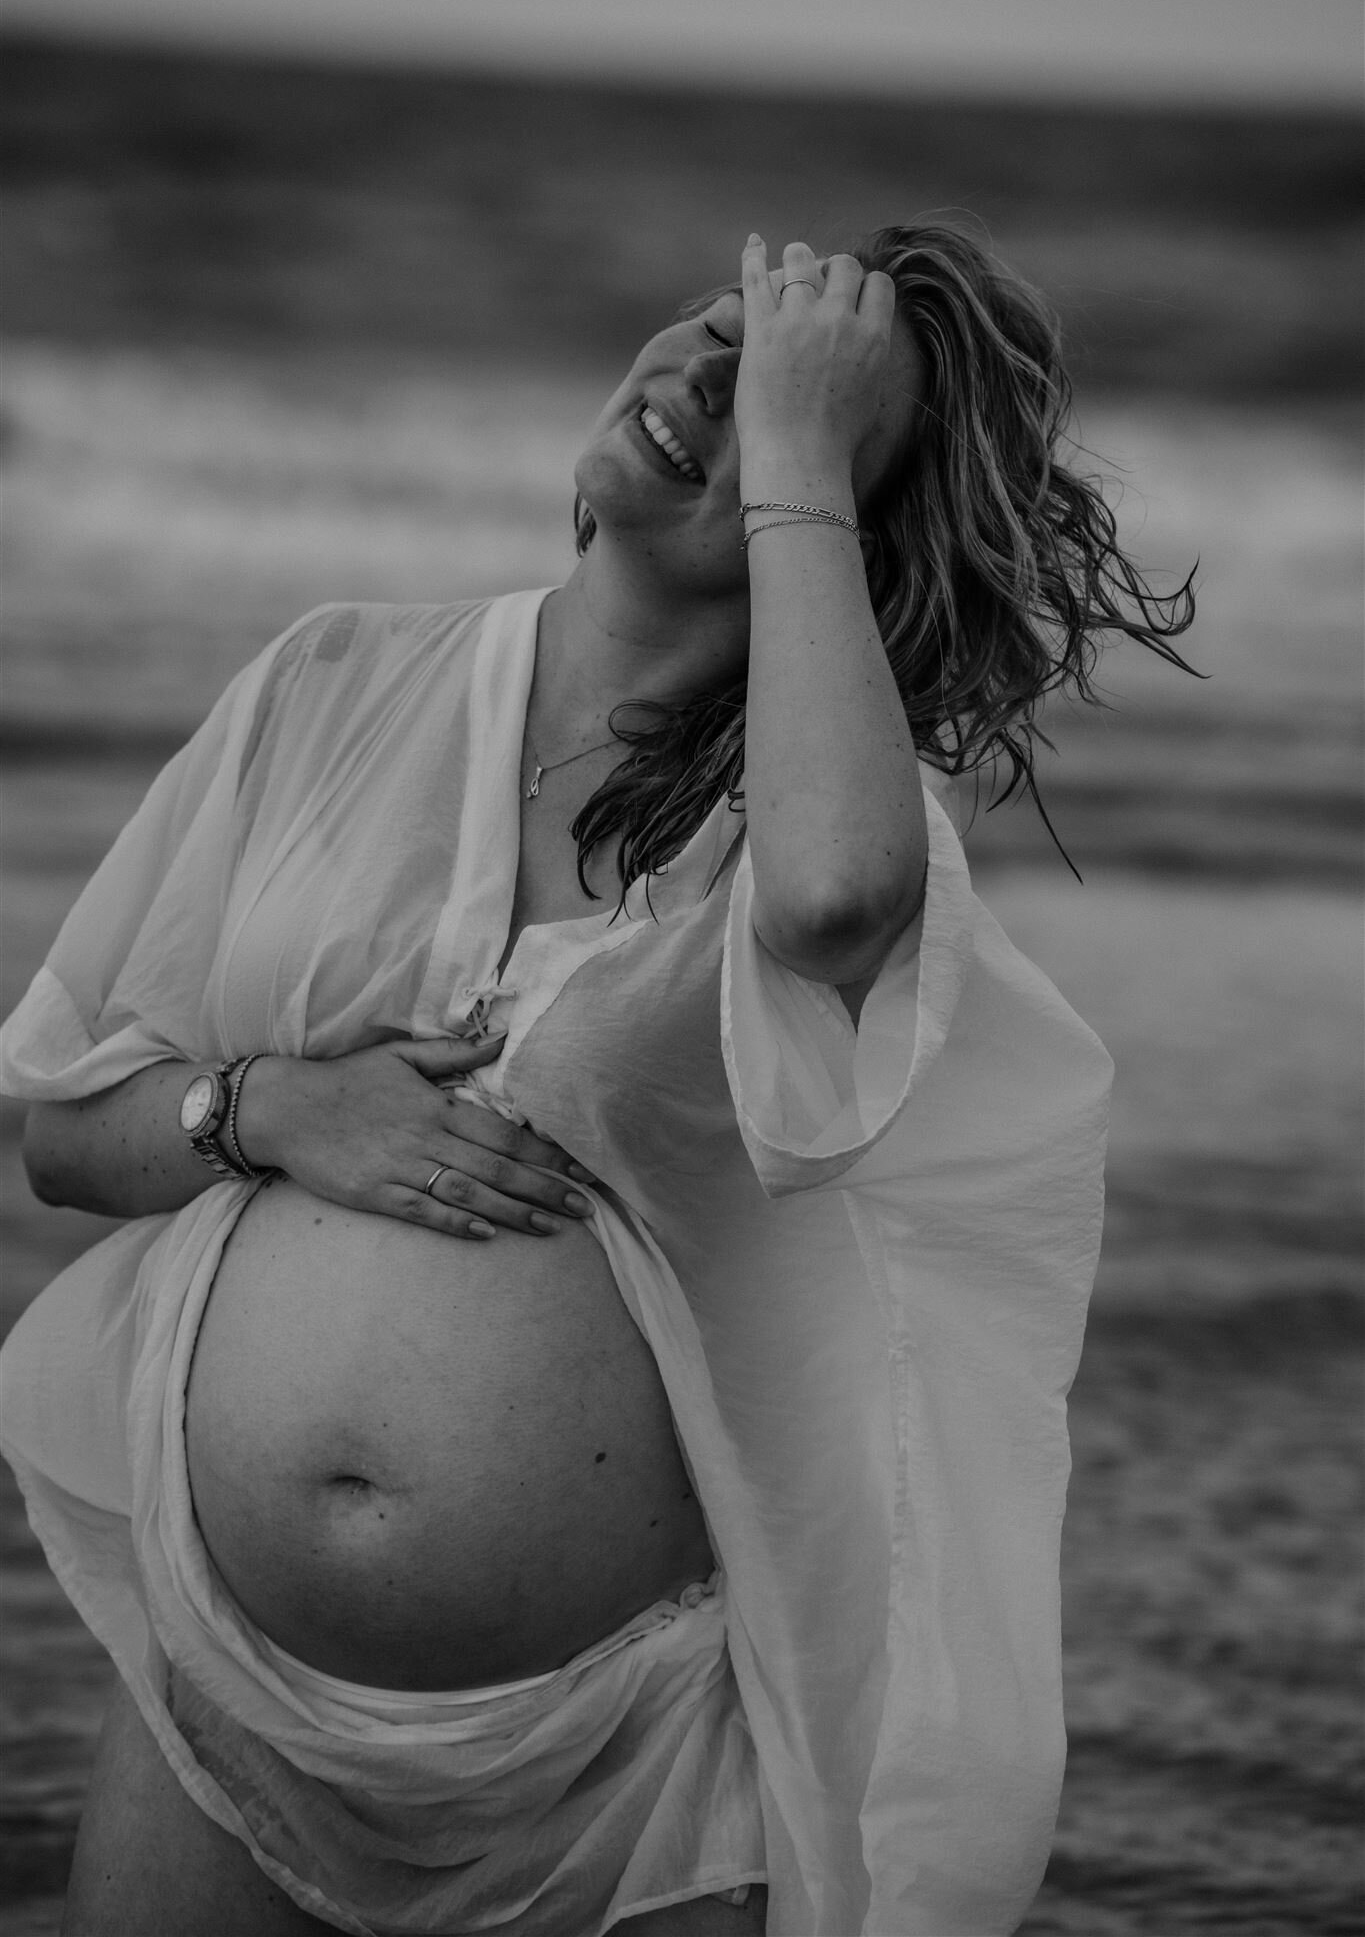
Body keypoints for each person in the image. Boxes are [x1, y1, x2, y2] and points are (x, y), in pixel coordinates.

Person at [1, 225, 1194, 1937]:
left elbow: (833, 897)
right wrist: (262, 1108)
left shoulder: (824, 826)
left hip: (616, 1775)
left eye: (775, 393)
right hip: (224, 1696)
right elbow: (64, 1135)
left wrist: (792, 452)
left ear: (841, 505)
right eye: (710, 332)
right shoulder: (326, 681)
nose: (702, 382)